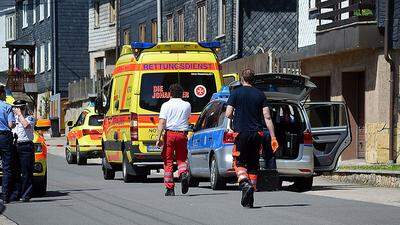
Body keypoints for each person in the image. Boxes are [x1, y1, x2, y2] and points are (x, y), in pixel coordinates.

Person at [225, 69, 279, 208]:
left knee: (239, 162)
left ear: (242, 78)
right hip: (257, 134)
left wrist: (235, 117)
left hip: (241, 134)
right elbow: (267, 117)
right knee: (254, 164)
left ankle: (245, 184)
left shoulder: (235, 93)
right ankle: (250, 199)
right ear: (253, 79)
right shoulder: (260, 94)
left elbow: (228, 113)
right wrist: (273, 137)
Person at [156, 84, 191, 196]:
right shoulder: (187, 105)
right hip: (182, 135)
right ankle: (183, 173)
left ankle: (170, 188)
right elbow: (187, 118)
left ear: (170, 94)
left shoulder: (166, 105)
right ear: (182, 94)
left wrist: (158, 138)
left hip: (169, 135)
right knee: (181, 158)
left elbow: (162, 123)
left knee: (168, 161)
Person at [12, 100, 36, 202]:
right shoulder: (13, 118)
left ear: (24, 108)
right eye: (16, 108)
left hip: (26, 146)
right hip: (14, 145)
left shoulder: (29, 118)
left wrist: (20, 115)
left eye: (21, 108)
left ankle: (26, 194)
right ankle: (16, 193)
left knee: (26, 172)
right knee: (15, 171)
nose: (18, 110)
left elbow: (26, 125)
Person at [0, 86, 15, 204]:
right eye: (4, 94)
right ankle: (5, 196)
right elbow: (11, 125)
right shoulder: (7, 107)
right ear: (1, 94)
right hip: (5, 137)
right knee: (6, 167)